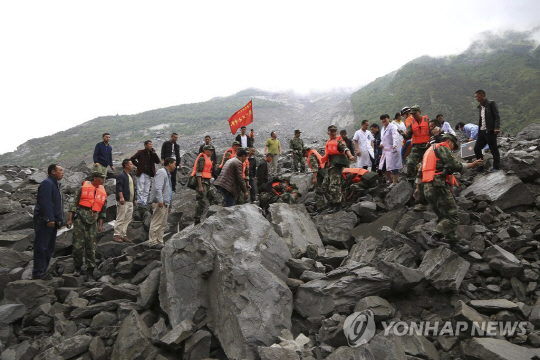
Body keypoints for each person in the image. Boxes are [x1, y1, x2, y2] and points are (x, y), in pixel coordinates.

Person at [415, 133, 484, 253]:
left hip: (427, 188)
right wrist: (471, 165)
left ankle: (453, 244)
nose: (452, 149)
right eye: (453, 146)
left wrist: (417, 189)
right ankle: (435, 237)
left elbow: (420, 172)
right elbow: (454, 165)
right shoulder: (442, 147)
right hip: (438, 186)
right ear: (449, 141)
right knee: (452, 217)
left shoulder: (428, 152)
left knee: (443, 217)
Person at [67, 172, 107, 279]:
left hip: (93, 220)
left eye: (104, 178)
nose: (103, 180)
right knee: (77, 245)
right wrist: (70, 219)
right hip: (80, 218)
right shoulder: (82, 188)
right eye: (101, 178)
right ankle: (77, 267)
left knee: (91, 246)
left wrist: (100, 225)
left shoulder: (102, 192)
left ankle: (90, 271)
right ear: (95, 178)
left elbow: (103, 211)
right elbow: (73, 204)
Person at [33, 164, 64, 280]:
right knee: (41, 246)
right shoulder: (47, 183)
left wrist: (58, 220)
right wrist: (50, 218)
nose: (62, 172)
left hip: (52, 221)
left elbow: (56, 204)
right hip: (44, 221)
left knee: (49, 248)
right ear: (53, 172)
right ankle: (38, 272)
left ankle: (43, 271)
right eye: (60, 170)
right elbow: (45, 202)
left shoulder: (55, 184)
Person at [320, 125, 355, 213]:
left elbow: (345, 148)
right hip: (330, 166)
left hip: (336, 167)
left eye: (334, 131)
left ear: (336, 132)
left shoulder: (339, 141)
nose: (333, 133)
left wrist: (350, 155)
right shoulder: (329, 141)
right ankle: (332, 202)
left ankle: (337, 205)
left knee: (334, 186)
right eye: (331, 131)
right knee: (324, 186)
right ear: (328, 132)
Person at [148, 157, 176, 249]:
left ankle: (159, 241)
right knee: (157, 222)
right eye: (174, 164)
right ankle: (152, 242)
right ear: (169, 164)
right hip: (160, 202)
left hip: (165, 202)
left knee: (163, 223)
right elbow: (158, 187)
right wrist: (160, 200)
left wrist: (169, 204)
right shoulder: (161, 172)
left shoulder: (167, 174)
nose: (175, 166)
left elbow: (168, 191)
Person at [399, 105, 431, 183]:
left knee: (429, 163)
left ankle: (429, 179)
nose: (413, 116)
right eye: (412, 114)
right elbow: (407, 137)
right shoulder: (411, 124)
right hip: (417, 147)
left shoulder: (428, 121)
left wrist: (431, 141)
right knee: (410, 163)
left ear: (419, 112)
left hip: (428, 146)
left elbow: (433, 133)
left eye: (415, 114)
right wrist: (403, 134)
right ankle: (411, 180)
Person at [191, 145, 220, 225]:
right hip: (202, 183)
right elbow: (198, 173)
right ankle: (197, 220)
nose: (211, 152)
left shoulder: (208, 159)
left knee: (214, 199)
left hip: (207, 183)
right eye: (209, 150)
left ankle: (212, 216)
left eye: (212, 150)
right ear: (205, 150)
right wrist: (200, 186)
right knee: (201, 201)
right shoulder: (202, 159)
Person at [474, 89, 501, 172]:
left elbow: (497, 116)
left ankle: (496, 167)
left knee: (493, 149)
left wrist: (496, 127)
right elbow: (481, 119)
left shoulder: (491, 103)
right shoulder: (480, 107)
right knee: (477, 148)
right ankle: (481, 166)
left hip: (490, 131)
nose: (475, 98)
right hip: (482, 131)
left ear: (482, 95)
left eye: (476, 96)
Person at [130, 140, 160, 207]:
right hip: (141, 172)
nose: (151, 146)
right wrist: (138, 165)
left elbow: (158, 161)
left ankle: (144, 202)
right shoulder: (140, 152)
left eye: (151, 144)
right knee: (140, 187)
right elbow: (132, 158)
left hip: (149, 173)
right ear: (145, 145)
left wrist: (154, 153)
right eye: (149, 144)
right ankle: (140, 202)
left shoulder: (152, 153)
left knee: (146, 188)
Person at [114, 159, 136, 243]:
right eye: (131, 164)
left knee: (127, 219)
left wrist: (134, 199)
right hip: (124, 200)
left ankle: (123, 234)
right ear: (126, 165)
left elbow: (132, 188)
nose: (132, 165)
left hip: (130, 201)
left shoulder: (129, 175)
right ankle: (117, 235)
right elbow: (119, 187)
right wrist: (121, 197)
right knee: (121, 217)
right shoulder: (121, 175)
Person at [379, 114, 403, 187]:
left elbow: (395, 135)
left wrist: (395, 144)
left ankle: (395, 182)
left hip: (393, 149)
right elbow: (383, 139)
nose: (383, 120)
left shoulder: (393, 126)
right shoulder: (383, 129)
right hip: (385, 150)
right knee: (383, 168)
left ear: (388, 119)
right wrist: (381, 143)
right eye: (382, 119)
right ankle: (391, 180)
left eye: (385, 119)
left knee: (393, 166)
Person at [304, 146, 327, 212]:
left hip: (321, 173)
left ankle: (323, 207)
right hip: (323, 172)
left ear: (306, 151)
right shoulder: (315, 152)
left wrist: (314, 178)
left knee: (321, 191)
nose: (305, 156)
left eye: (305, 155)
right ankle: (323, 206)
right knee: (319, 190)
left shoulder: (311, 156)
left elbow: (315, 168)